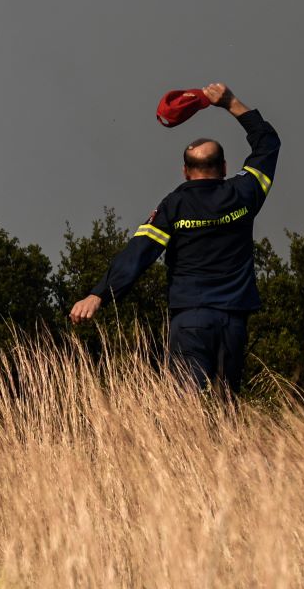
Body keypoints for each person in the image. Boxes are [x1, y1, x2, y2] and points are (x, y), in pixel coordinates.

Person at [69, 83, 280, 394]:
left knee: (186, 407)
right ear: (223, 167)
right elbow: (268, 144)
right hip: (234, 320)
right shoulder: (244, 193)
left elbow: (139, 253)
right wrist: (230, 102)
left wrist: (99, 294)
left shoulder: (174, 206)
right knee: (227, 407)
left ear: (185, 171)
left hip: (191, 319)